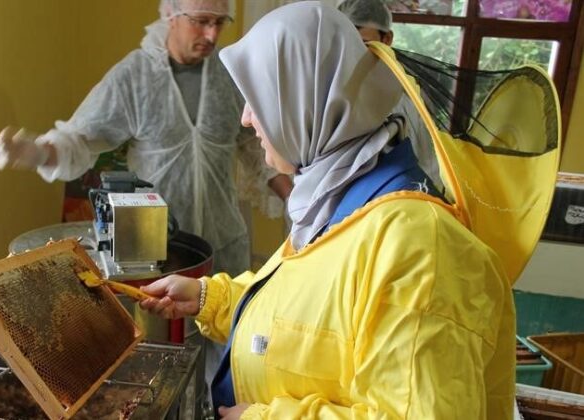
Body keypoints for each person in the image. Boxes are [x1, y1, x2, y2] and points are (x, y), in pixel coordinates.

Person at [140, 2, 516, 419]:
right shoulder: (334, 200)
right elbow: (314, 314)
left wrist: (262, 418)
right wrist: (212, 299)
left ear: (303, 102)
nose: (246, 119)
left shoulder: (421, 249)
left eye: (257, 100)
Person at [0, 0, 292, 404]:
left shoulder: (227, 75)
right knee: (161, 362)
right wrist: (37, 153)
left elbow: (256, 152)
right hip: (158, 252)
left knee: (229, 350)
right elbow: (81, 137)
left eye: (220, 23)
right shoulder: (136, 76)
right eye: (201, 22)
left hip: (225, 245)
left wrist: (301, 201)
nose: (212, 35)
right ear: (171, 13)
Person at [338, 0, 441, 190]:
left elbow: (429, 164)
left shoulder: (408, 97)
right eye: (345, 42)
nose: (354, 53)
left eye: (363, 43)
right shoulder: (332, 92)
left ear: (387, 39)